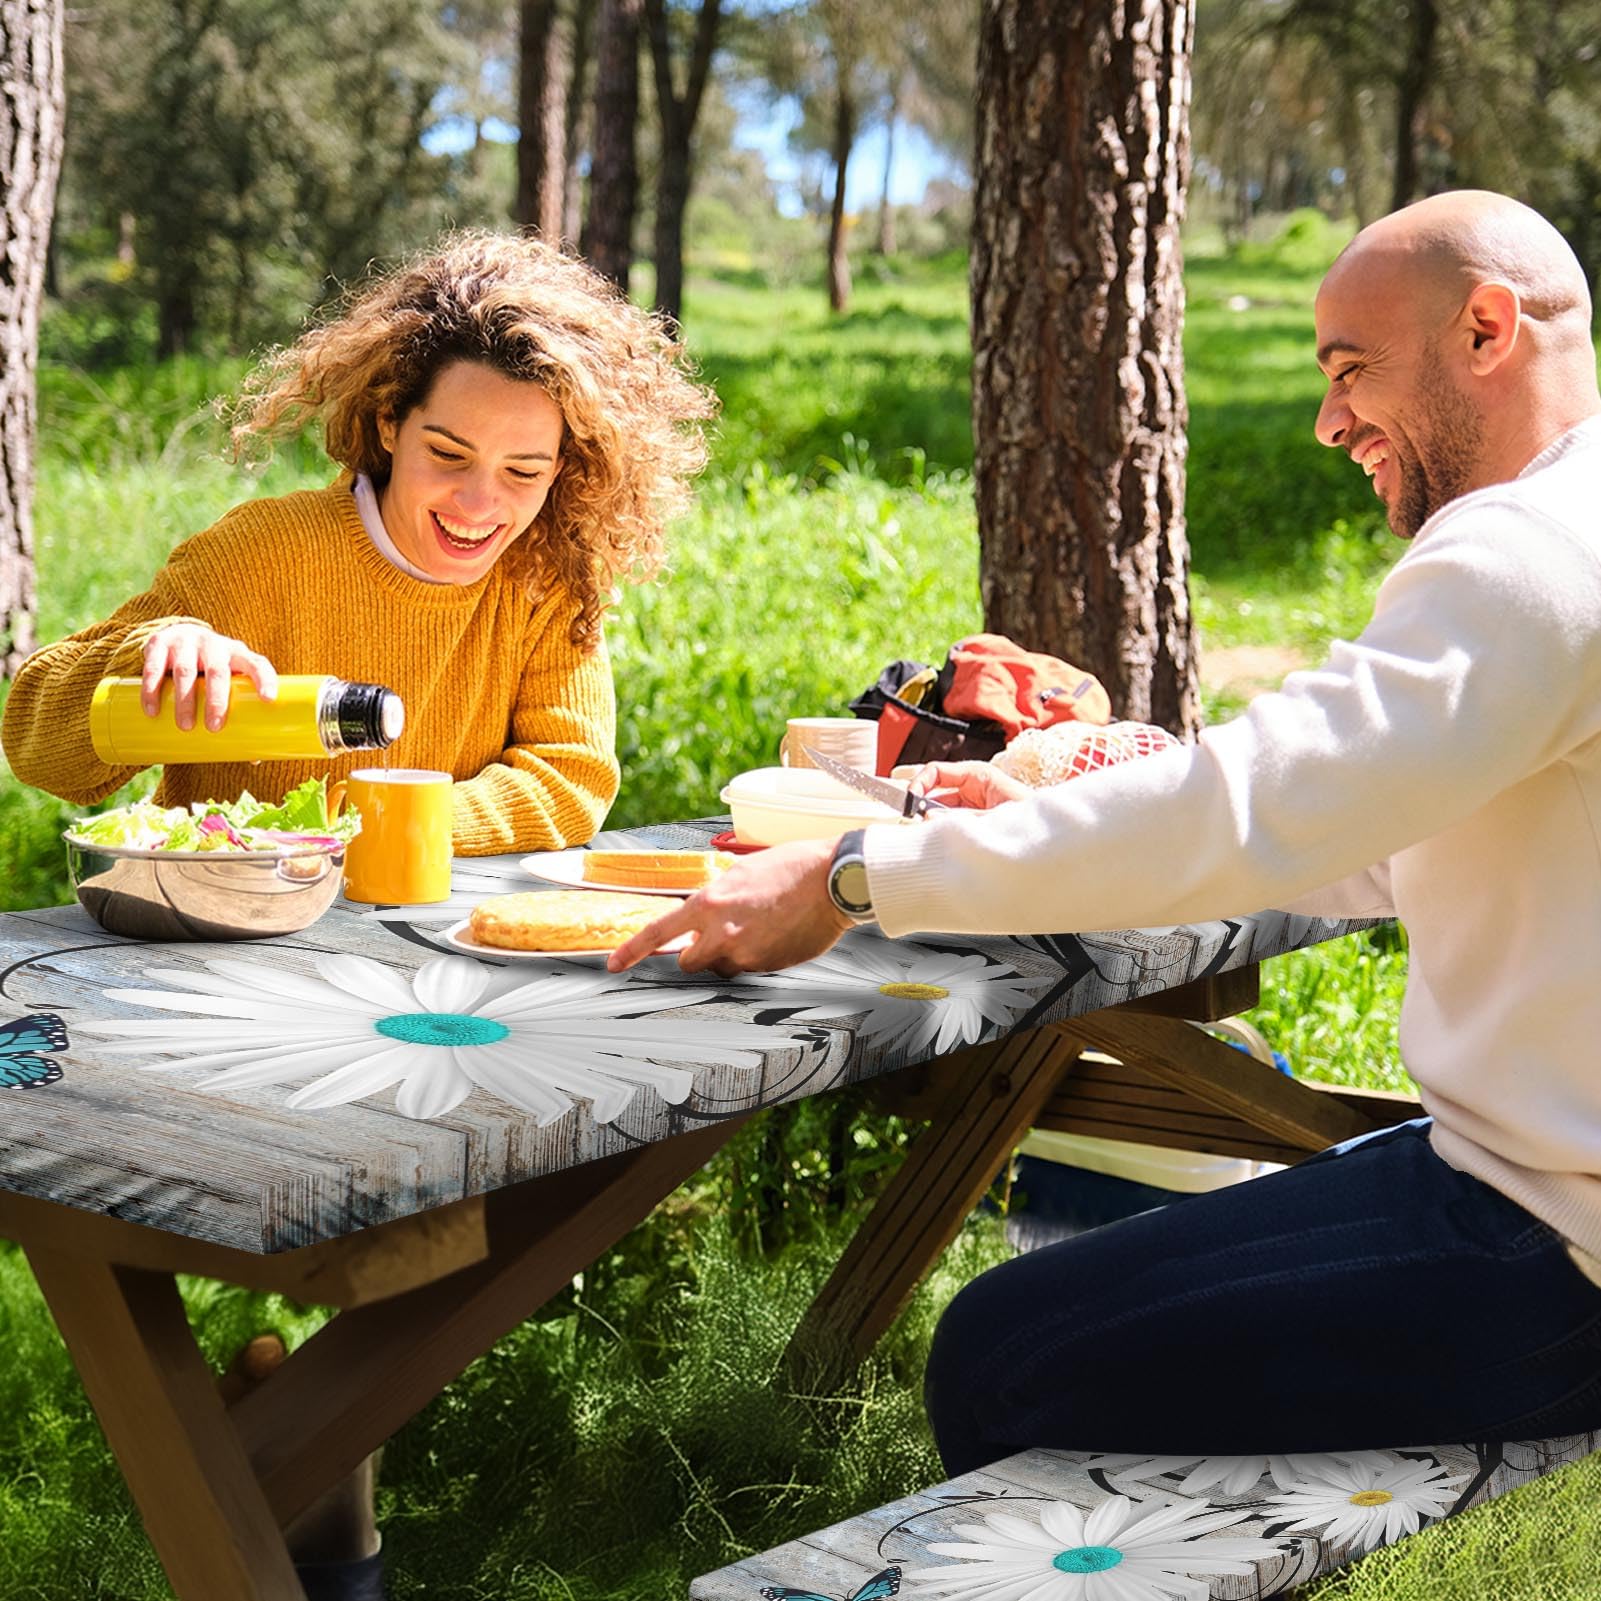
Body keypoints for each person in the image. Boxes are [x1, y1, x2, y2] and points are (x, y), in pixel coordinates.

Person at [612, 190, 1601, 1471]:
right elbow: (1371, 817)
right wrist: (1090, 804)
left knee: (1000, 1354)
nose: (1326, 421)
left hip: (1548, 1246)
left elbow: (1254, 805)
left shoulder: (1522, 556)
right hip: (1531, 1180)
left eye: (1351, 371)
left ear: (1483, 330)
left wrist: (858, 876)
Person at [3, 231, 715, 855]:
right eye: (447, 454)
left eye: (522, 471)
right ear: (388, 425)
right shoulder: (259, 556)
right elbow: (37, 745)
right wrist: (150, 653)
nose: (478, 503)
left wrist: (371, 822)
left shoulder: (544, 581)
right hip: (222, 950)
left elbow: (569, 777)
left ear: (563, 466)